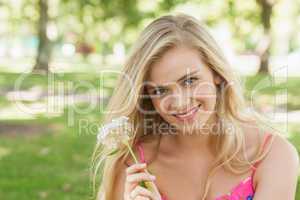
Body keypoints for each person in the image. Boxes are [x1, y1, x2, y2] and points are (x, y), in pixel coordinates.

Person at [92, 13, 299, 200]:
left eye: (189, 81)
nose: (180, 102)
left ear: (216, 73)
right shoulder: (134, 167)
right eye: (160, 91)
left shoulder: (272, 155)